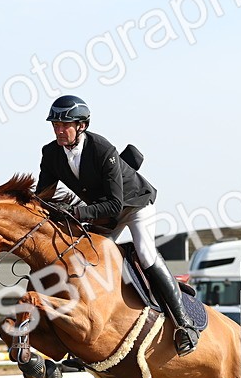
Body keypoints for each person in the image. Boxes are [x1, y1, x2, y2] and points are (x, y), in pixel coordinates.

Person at [34, 94, 199, 356]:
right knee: (88, 261)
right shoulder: (51, 153)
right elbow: (42, 197)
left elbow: (114, 204)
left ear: (81, 126)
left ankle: (183, 323)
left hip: (135, 205)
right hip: (104, 212)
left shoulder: (102, 149)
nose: (59, 130)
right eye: (55, 125)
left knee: (144, 253)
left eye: (64, 125)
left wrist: (75, 211)